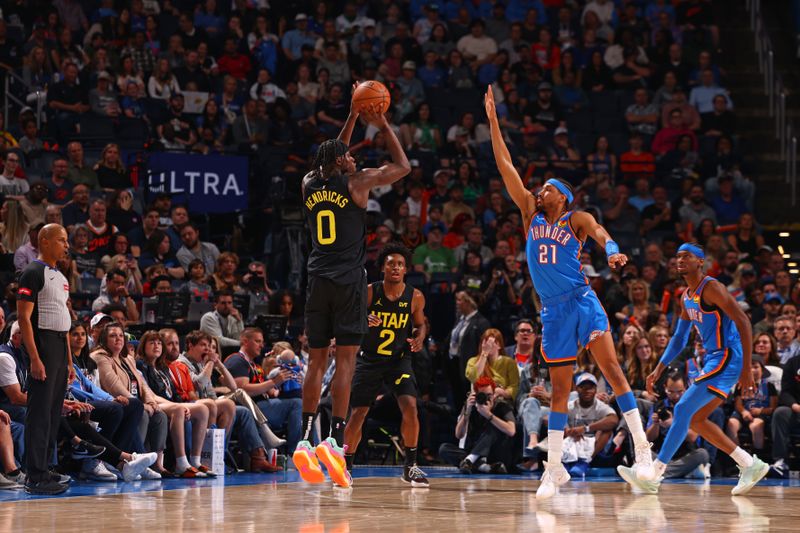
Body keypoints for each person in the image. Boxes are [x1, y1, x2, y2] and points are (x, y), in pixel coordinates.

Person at [485, 86, 653, 500]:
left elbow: (600, 233)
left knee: (612, 371)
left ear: (563, 196)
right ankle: (553, 467)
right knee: (559, 390)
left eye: (547, 189)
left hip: (582, 301)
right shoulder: (529, 213)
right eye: (539, 188)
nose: (539, 192)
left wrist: (612, 252)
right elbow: (505, 165)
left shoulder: (576, 217)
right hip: (554, 312)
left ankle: (644, 450)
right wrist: (493, 121)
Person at [292, 91, 410, 488]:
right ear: (341, 163)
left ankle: (305, 439)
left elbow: (330, 156)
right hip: (347, 282)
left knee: (314, 362)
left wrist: (352, 114)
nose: (354, 155)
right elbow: (403, 166)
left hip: (317, 279)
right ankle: (334, 439)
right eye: (348, 155)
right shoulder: (358, 184)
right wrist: (383, 125)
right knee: (344, 362)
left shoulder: (309, 183)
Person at [618, 243, 768, 496]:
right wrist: (658, 368)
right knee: (696, 419)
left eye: (686, 256)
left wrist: (746, 369)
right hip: (714, 358)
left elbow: (743, 320)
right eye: (677, 256)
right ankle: (749, 464)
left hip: (728, 355)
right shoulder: (685, 296)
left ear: (701, 262)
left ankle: (655, 472)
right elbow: (678, 338)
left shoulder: (712, 288)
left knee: (683, 408)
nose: (680, 260)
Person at [342, 244, 428, 487]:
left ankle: (410, 466)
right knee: (358, 413)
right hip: (370, 359)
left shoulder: (416, 296)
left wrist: (420, 337)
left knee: (411, 406)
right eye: (391, 263)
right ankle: (345, 465)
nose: (396, 267)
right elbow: (348, 319)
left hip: (399, 360)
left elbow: (420, 324)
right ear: (382, 267)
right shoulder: (370, 292)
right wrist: (363, 319)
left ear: (406, 269)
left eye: (400, 264)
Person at [16, 224, 74, 494]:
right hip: (44, 346)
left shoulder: (60, 276)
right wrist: (35, 358)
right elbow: (24, 319)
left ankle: (46, 468)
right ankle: (34, 475)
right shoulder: (32, 272)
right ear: (46, 242)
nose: (66, 245)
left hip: (61, 346)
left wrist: (70, 361)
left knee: (52, 413)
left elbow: (65, 319)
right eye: (62, 240)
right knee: (39, 414)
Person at [644, 372, 712, 479]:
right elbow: (649, 438)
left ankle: (658, 472)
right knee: (643, 451)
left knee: (702, 454)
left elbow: (693, 437)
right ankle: (680, 472)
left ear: (686, 388)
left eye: (680, 392)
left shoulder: (692, 406)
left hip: (685, 456)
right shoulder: (658, 406)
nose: (675, 396)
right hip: (661, 455)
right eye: (670, 391)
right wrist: (655, 425)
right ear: (665, 388)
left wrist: (673, 424)